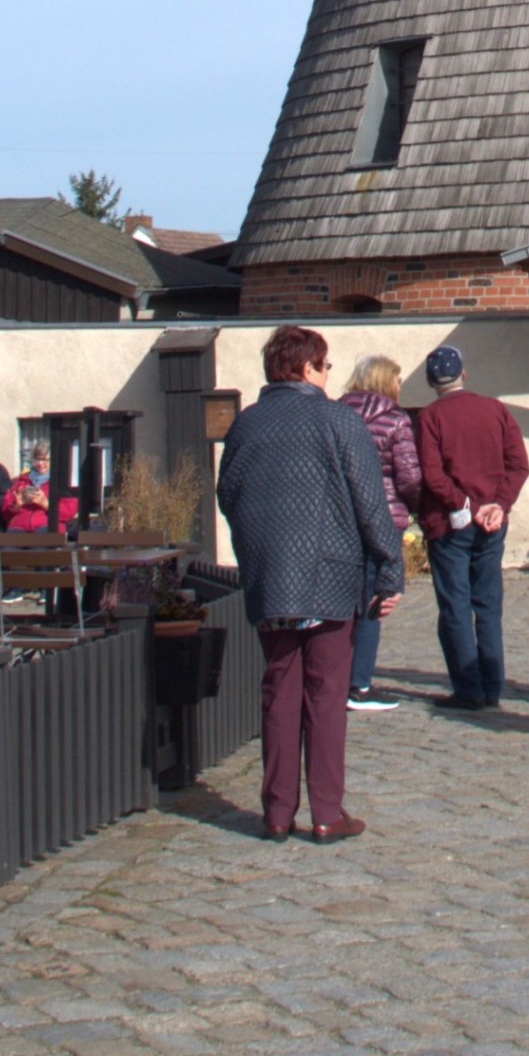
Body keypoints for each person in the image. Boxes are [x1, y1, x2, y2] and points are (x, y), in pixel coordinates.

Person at [216, 324, 404, 842]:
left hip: (270, 574)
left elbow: (227, 494)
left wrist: (258, 546)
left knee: (279, 689)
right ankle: (326, 812)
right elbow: (372, 503)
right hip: (331, 573)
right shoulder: (338, 421)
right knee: (325, 693)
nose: (328, 375)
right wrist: (389, 571)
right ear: (306, 368)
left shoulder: (246, 425)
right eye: (325, 366)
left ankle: (276, 812)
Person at [415, 344, 529, 712]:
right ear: (463, 373)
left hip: (451, 523)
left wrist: (463, 504)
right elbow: (518, 465)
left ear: (432, 381)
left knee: (455, 605)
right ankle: (492, 685)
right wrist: (498, 503)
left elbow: (432, 474)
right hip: (491, 521)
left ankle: (469, 688)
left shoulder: (430, 418)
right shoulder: (495, 409)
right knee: (488, 603)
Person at [336, 356, 423, 714]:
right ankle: (359, 684)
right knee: (374, 600)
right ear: (387, 381)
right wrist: (417, 507)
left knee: (339, 602)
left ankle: (337, 676)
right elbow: (408, 476)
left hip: (339, 519)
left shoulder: (336, 413)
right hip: (383, 518)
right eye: (398, 379)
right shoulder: (395, 419)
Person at [0, 443, 77, 534]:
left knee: (42, 539)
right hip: (19, 526)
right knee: (9, 541)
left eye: (45, 460)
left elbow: (68, 513)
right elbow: (5, 514)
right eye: (37, 459)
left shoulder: (62, 482)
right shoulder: (20, 481)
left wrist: (45, 503)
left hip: (47, 526)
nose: (40, 464)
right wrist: (17, 506)